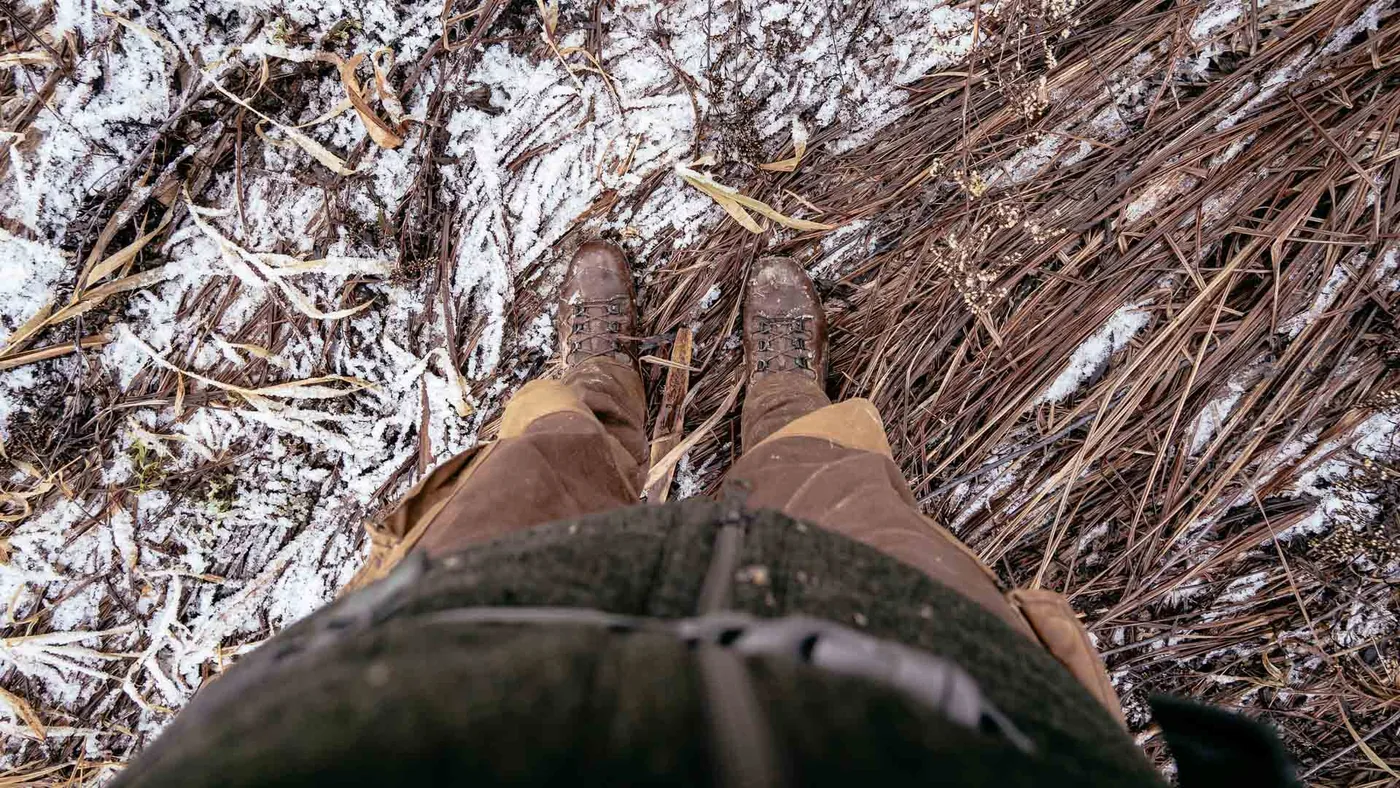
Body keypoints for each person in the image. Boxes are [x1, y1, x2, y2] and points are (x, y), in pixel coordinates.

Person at [113, 242, 1298, 787]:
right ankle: (776, 415)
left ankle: (619, 398)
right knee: (847, 505)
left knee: (531, 476)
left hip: (407, 677)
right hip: (948, 705)